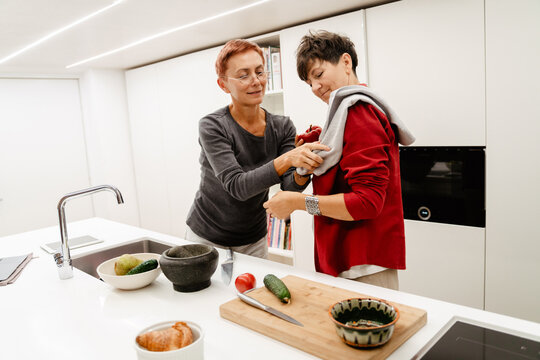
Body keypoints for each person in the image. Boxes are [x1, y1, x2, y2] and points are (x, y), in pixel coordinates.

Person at [263, 31, 415, 289]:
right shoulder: (347, 114)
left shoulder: (359, 113)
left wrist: (298, 202)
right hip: (353, 260)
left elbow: (367, 202)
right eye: (309, 82)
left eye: (319, 75)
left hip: (363, 267)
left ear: (346, 62)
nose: (315, 88)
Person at [186, 39, 329, 258]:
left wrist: (303, 168)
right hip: (206, 236)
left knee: (253, 292)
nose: (256, 81)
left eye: (260, 72)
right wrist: (289, 159)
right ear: (223, 84)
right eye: (244, 75)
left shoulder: (282, 126)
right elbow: (237, 186)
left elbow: (290, 187)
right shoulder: (213, 126)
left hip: (254, 237)